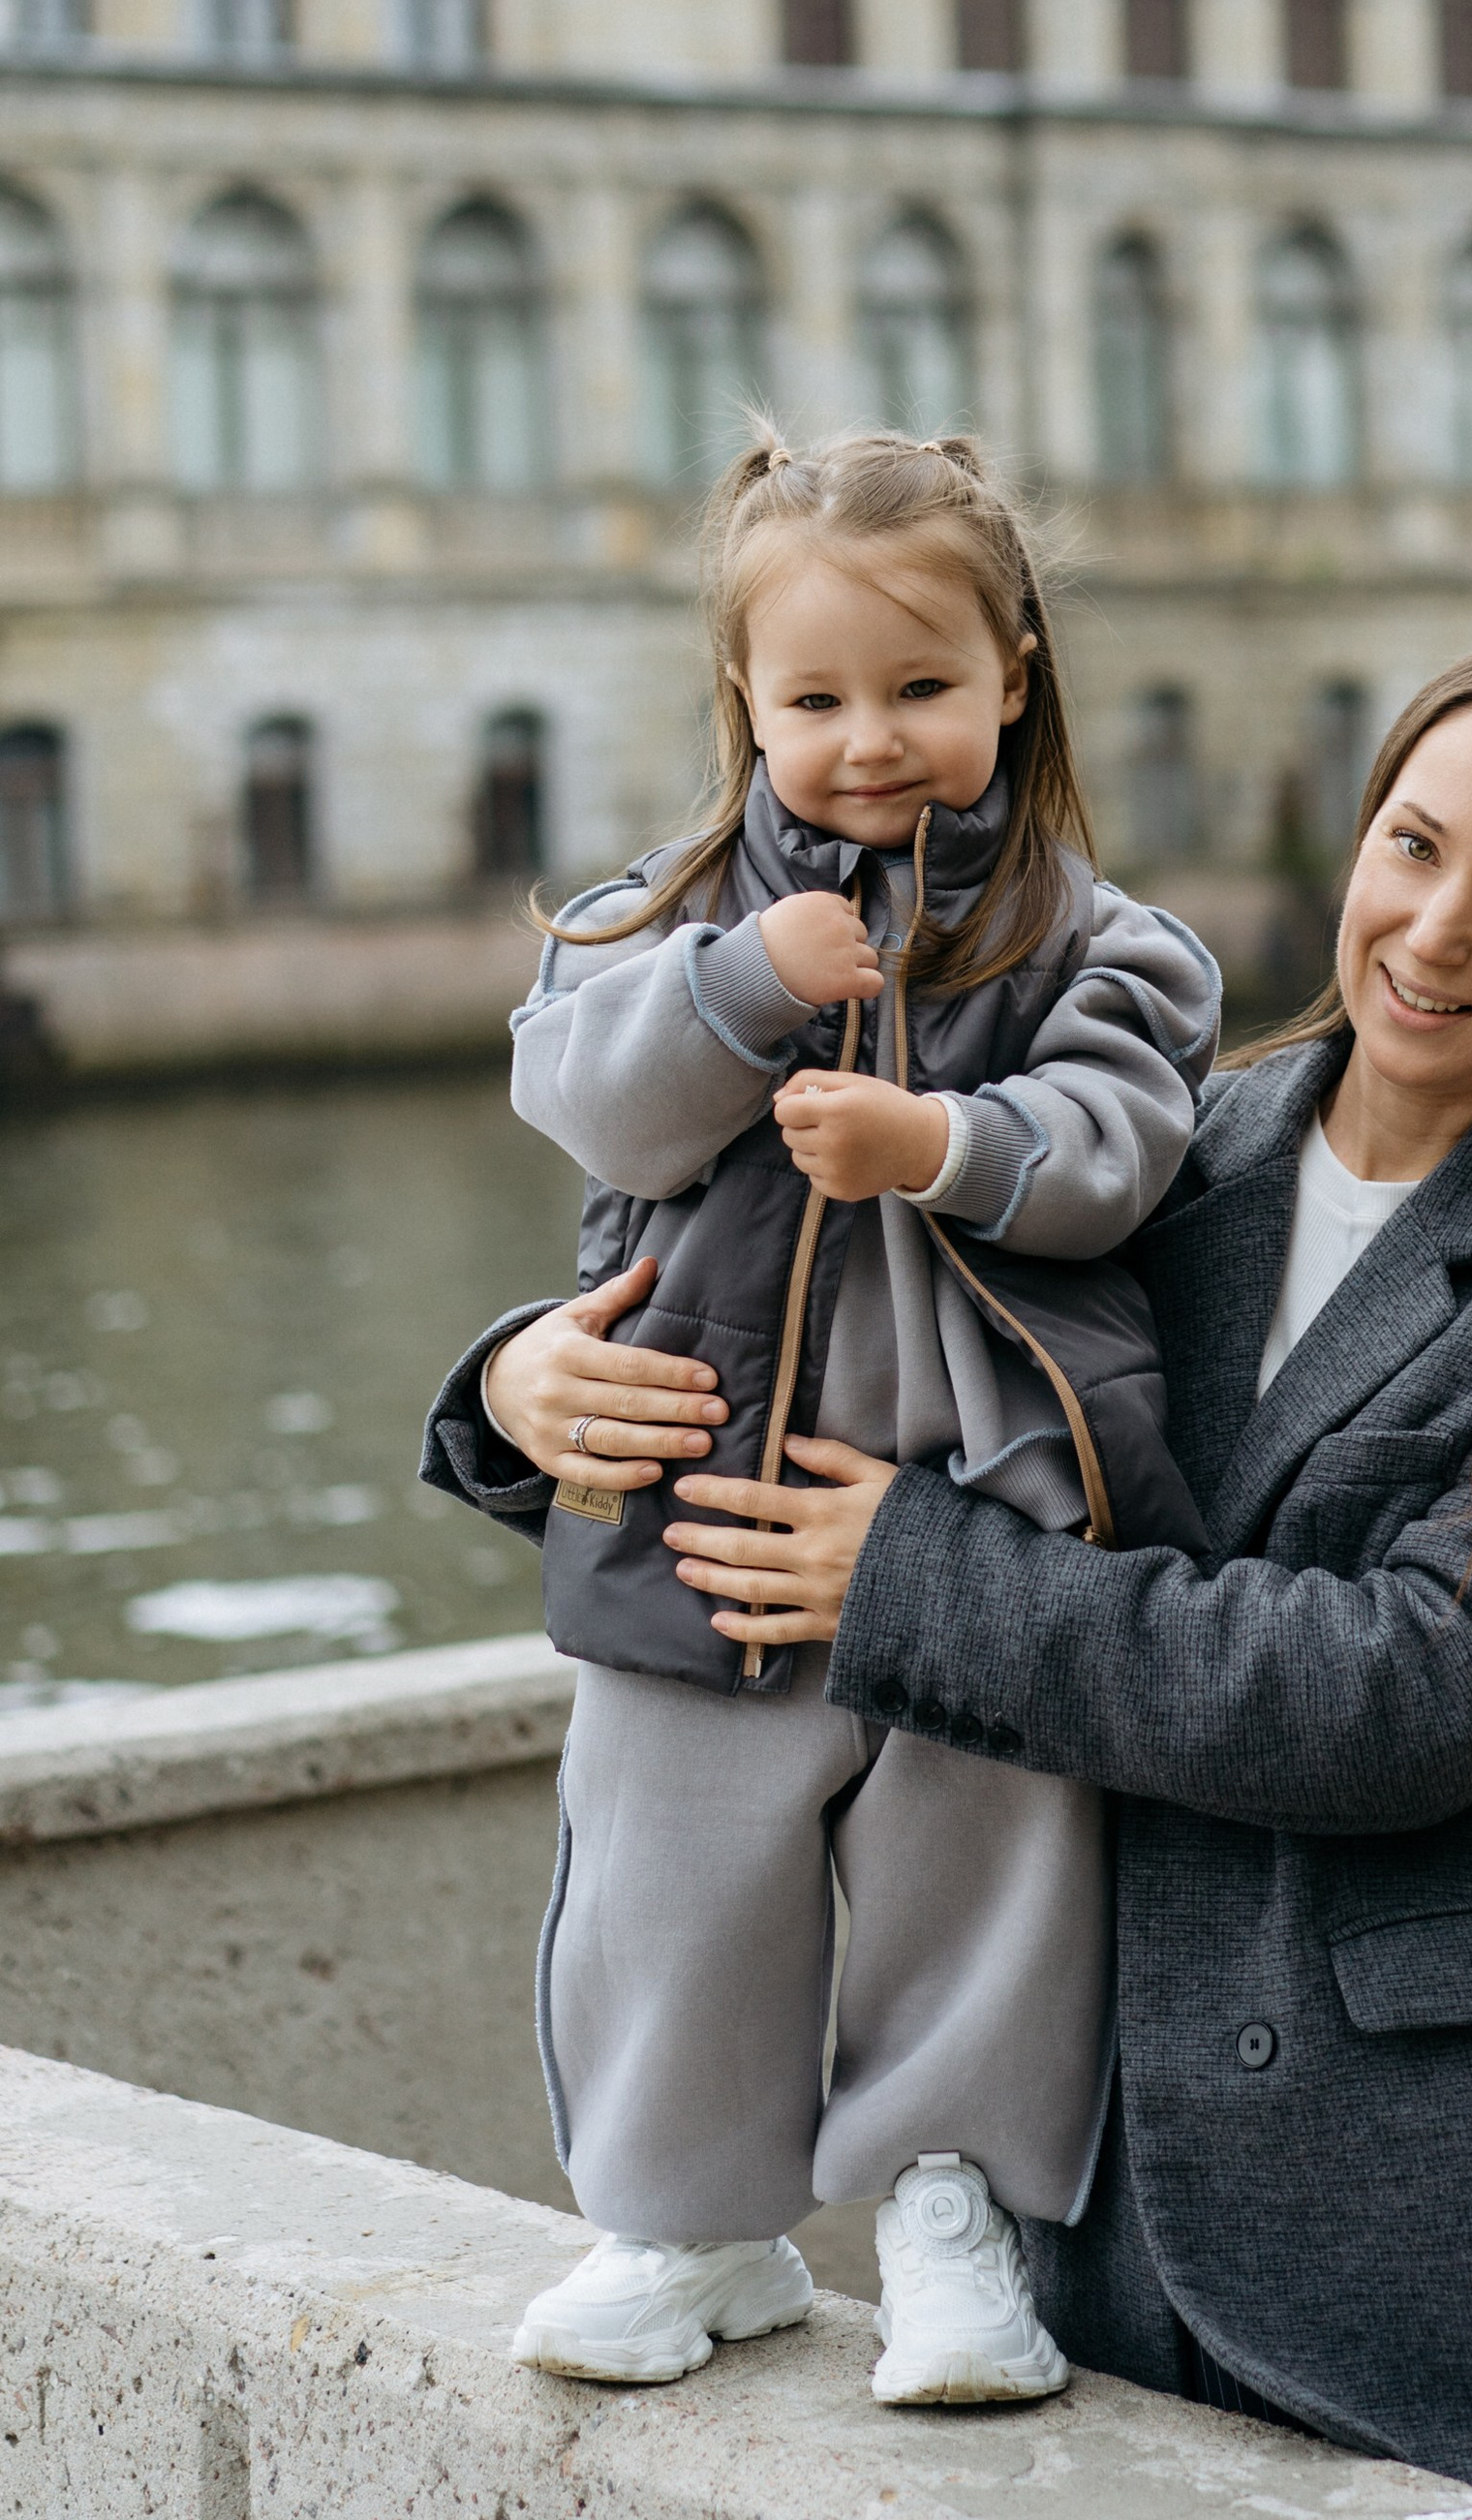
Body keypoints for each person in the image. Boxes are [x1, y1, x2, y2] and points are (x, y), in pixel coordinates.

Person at [431, 629, 1472, 2513]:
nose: (1434, 929)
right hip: (1119, 2246)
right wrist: (520, 1387)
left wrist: (912, 1585)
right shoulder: (1166, 1150)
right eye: (1408, 845)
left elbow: (1395, 1699)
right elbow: (848, 1335)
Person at [419, 429, 1219, 2404]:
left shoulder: (1091, 938)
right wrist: (741, 988)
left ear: (1014, 674)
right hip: (699, 1499)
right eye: (817, 700)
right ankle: (691, 2225)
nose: (873, 740)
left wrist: (937, 1138)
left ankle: (953, 2212)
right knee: (669, 1867)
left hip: (981, 1509)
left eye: (923, 689)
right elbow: (587, 1100)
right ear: (744, 704)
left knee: (985, 1872)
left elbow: (1121, 1151)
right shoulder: (652, 921)